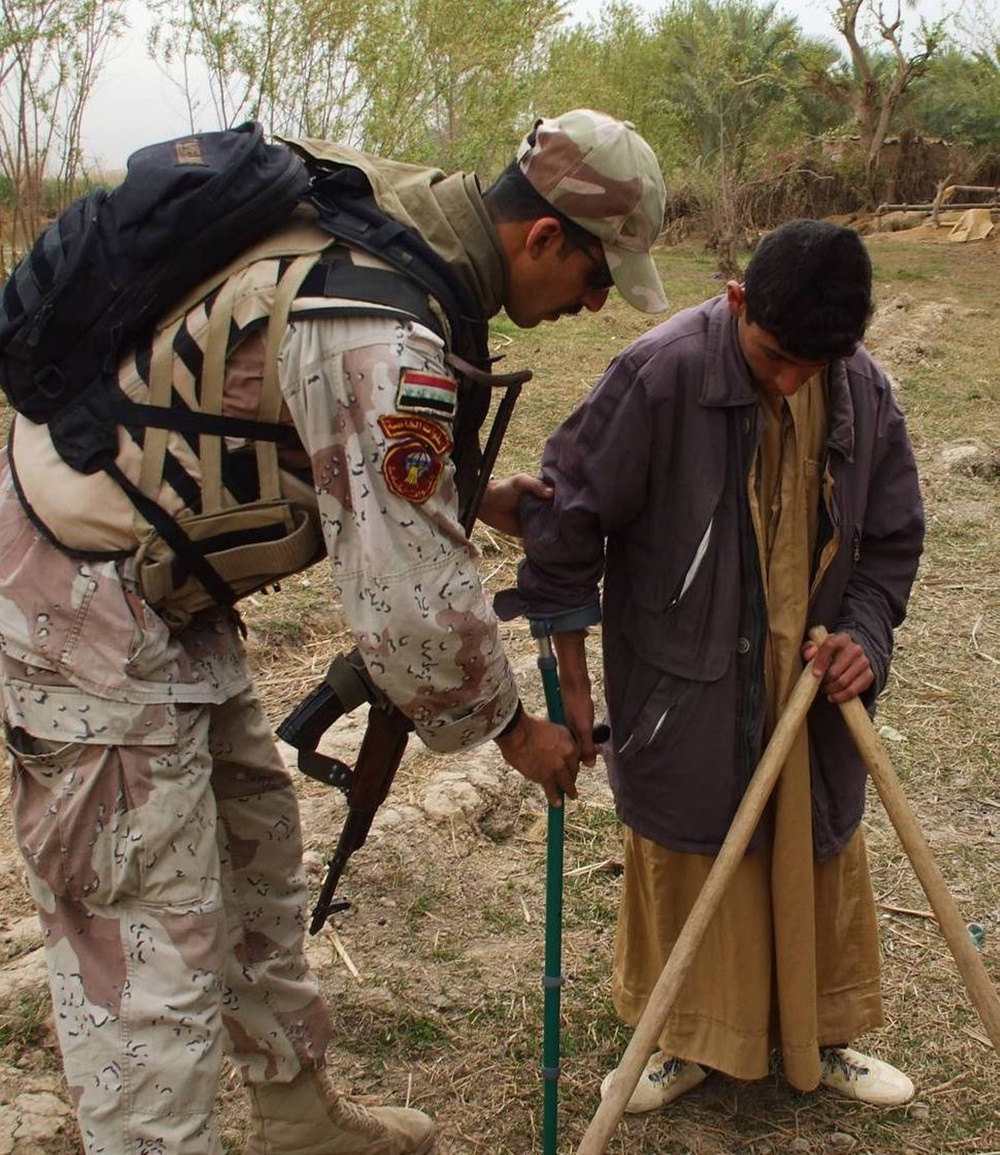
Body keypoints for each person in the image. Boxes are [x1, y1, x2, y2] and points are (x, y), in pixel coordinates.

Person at [0, 110, 667, 1155]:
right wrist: (512, 733)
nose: (590, 305)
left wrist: (475, 497)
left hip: (164, 581)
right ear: (542, 238)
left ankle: (295, 1116)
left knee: (250, 852)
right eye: (592, 278)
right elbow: (408, 608)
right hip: (82, 592)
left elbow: (324, 432)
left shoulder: (408, 226)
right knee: (143, 929)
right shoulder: (384, 326)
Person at [499, 219, 925, 1114]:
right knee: (689, 846)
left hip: (808, 695)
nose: (792, 380)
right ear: (736, 301)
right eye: (775, 357)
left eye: (816, 364)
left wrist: (865, 637)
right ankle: (676, 1034)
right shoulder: (659, 373)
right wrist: (575, 688)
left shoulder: (860, 386)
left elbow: (890, 541)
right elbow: (568, 524)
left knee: (813, 843)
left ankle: (820, 1031)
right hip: (680, 688)